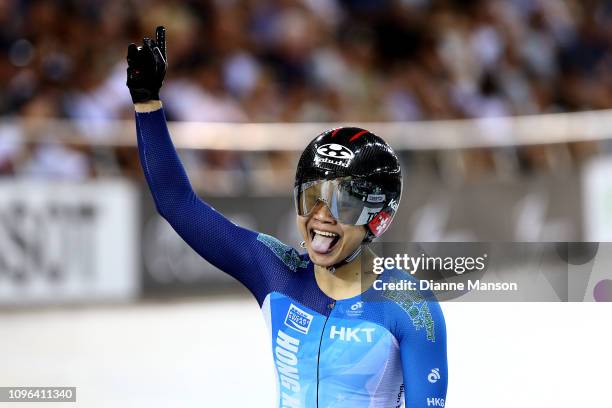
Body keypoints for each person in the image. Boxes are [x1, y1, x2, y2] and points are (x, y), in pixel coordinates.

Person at [127, 26, 448, 408]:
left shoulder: (411, 306)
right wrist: (147, 104)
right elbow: (176, 203)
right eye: (310, 197)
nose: (320, 217)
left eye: (340, 203)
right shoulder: (275, 271)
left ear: (377, 216)